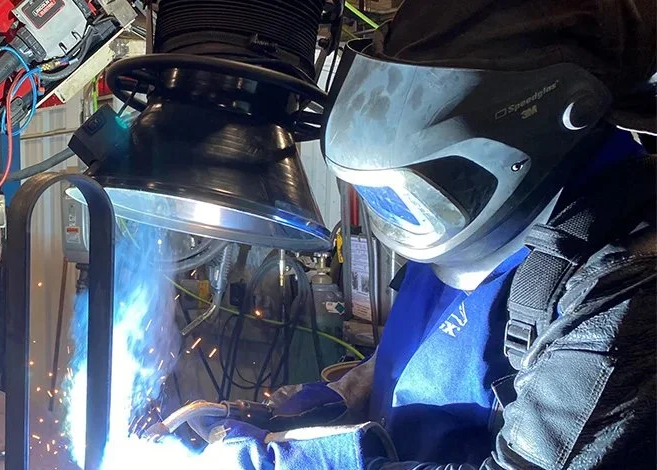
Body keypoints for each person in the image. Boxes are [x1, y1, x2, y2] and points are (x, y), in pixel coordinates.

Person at [196, 0, 656, 468]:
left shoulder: (626, 283)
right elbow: (418, 357)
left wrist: (278, 463)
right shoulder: (462, 210)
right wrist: (302, 408)